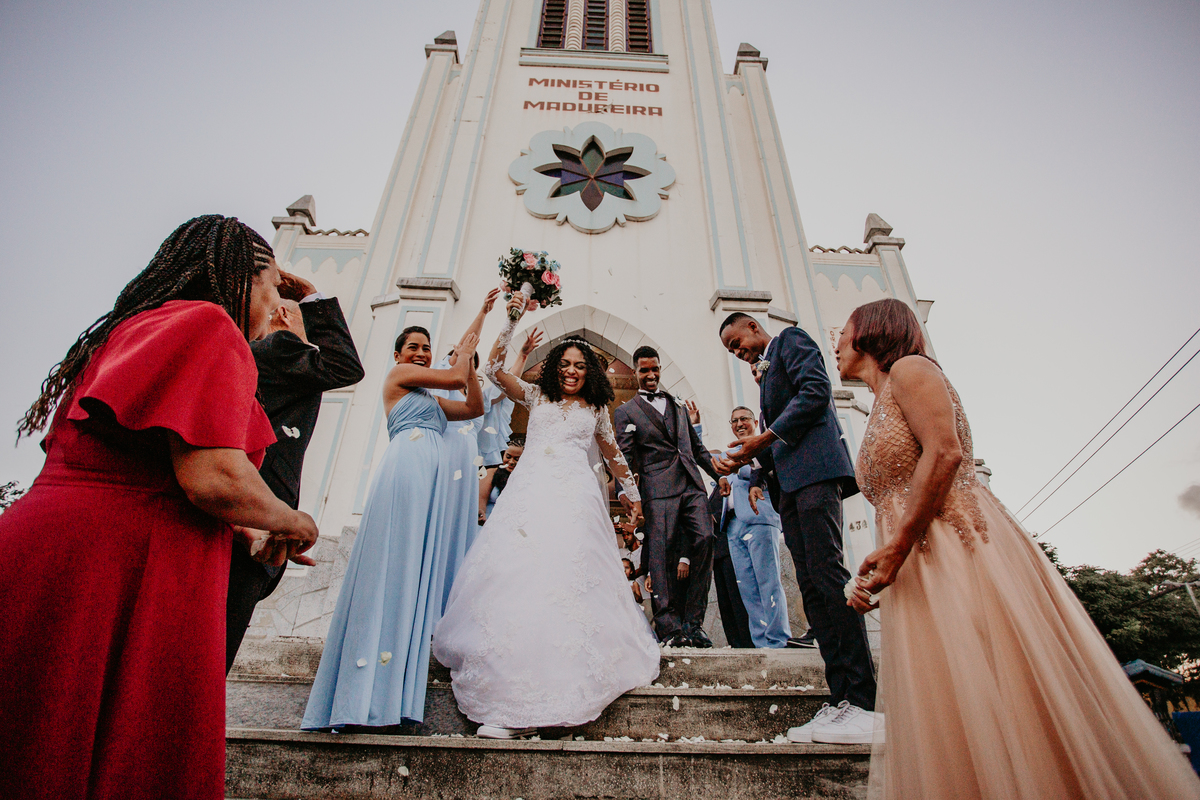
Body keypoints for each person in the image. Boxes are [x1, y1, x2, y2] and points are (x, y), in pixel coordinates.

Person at [0, 215, 318, 800]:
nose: (279, 308)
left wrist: (246, 535)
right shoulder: (206, 323)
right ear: (235, 279)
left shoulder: (140, 326)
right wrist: (294, 520)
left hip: (66, 550)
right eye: (272, 287)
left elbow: (156, 467)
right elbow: (212, 476)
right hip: (115, 562)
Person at [838, 298, 1200, 798]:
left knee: (1001, 695)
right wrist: (885, 568)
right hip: (917, 564)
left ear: (870, 331)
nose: (835, 341)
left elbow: (944, 452)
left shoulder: (911, 369)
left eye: (842, 330)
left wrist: (898, 548)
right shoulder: (877, 403)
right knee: (954, 707)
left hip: (959, 550)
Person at [433, 292, 660, 739]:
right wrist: (511, 320)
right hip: (527, 499)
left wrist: (634, 497)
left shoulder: (595, 409)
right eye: (565, 364)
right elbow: (496, 370)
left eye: (579, 365)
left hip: (575, 503)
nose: (571, 371)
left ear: (589, 371)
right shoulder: (535, 396)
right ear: (554, 367)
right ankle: (509, 702)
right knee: (518, 579)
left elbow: (614, 457)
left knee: (565, 583)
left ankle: (563, 692)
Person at [301, 325, 483, 731]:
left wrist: (468, 365)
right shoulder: (397, 378)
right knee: (393, 563)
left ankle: (390, 690)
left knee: (412, 568)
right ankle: (363, 694)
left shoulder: (432, 400)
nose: (421, 353)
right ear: (399, 354)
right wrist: (465, 355)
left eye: (426, 348)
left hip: (430, 479)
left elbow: (474, 407)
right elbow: (454, 376)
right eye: (413, 347)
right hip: (407, 468)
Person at [717, 312, 876, 744]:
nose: (739, 352)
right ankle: (841, 696)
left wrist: (763, 439)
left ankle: (864, 699)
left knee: (829, 577)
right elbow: (776, 439)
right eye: (732, 351)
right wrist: (745, 462)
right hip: (790, 487)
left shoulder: (790, 340)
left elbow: (816, 392)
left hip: (816, 476)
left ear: (753, 327)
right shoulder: (764, 377)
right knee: (811, 587)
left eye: (737, 342)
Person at [226, 270, 364, 673]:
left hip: (249, 515)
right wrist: (310, 294)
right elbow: (344, 366)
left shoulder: (255, 357)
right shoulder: (280, 346)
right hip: (256, 515)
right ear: (285, 316)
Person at [613, 346, 722, 647]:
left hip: (691, 485)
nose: (651, 375)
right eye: (644, 370)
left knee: (705, 538)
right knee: (660, 558)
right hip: (657, 491)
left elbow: (697, 448)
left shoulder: (678, 405)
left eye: (655, 369)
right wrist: (627, 494)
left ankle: (694, 623)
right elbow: (623, 456)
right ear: (635, 372)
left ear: (660, 369)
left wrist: (718, 475)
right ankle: (670, 628)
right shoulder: (626, 412)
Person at [430, 288, 501, 609]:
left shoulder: (476, 396)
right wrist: (483, 313)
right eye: (460, 359)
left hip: (468, 465)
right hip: (444, 458)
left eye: (471, 363)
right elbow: (464, 345)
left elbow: (497, 375)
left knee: (463, 531)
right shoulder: (438, 383)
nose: (465, 363)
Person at [721, 406, 792, 648]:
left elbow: (760, 473)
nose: (739, 424)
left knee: (768, 582)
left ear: (753, 422)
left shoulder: (764, 447)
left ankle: (778, 639)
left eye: (744, 419)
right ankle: (761, 641)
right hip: (732, 525)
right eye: (734, 421)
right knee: (747, 588)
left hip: (760, 518)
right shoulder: (728, 452)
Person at [707, 470, 754, 648]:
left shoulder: (731, 485)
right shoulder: (713, 491)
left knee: (736, 599)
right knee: (725, 602)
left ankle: (746, 641)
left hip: (730, 550)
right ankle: (734, 641)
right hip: (717, 554)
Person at [479, 438, 524, 523]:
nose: (511, 462)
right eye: (508, 456)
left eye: (516, 459)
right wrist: (481, 515)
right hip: (488, 520)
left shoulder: (526, 478)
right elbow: (481, 498)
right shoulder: (491, 473)